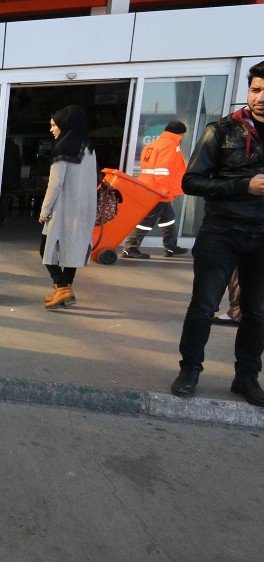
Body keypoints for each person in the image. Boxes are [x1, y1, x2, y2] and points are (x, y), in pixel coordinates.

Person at [171, 61, 264, 407]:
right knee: (203, 306)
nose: (260, 97)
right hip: (222, 232)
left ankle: (246, 377)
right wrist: (244, 185)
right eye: (256, 90)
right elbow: (190, 181)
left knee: (256, 312)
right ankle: (190, 369)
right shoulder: (222, 131)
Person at [39, 105, 98, 309]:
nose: (51, 129)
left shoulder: (62, 149)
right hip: (82, 210)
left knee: (45, 249)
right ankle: (65, 291)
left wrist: (44, 211)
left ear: (64, 125)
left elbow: (55, 184)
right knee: (71, 249)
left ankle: (62, 288)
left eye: (54, 125)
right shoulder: (88, 148)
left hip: (62, 210)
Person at [122, 121, 190, 259]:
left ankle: (171, 247)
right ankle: (130, 248)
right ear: (181, 134)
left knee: (168, 218)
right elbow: (162, 169)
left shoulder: (154, 144)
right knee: (147, 220)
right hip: (159, 191)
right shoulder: (171, 145)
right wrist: (164, 188)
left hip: (149, 188)